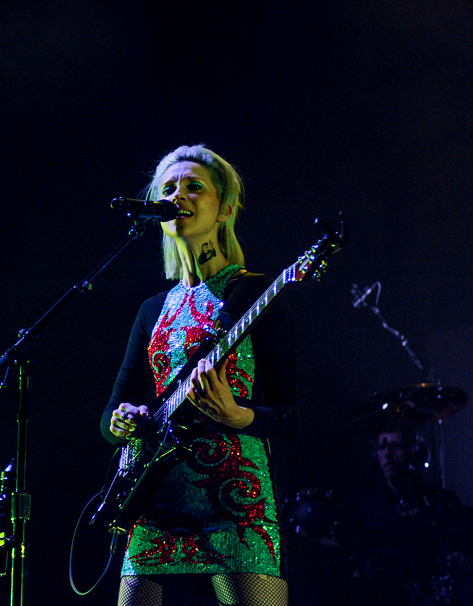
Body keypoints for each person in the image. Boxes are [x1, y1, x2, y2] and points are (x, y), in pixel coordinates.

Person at [103, 145, 298, 606]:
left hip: (236, 503)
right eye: (168, 188)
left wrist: (237, 415)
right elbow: (113, 409)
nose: (179, 196)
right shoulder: (152, 309)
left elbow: (289, 415)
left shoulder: (256, 294)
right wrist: (121, 421)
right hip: (156, 504)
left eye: (195, 186)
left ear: (225, 208)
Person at [344, 424, 473, 606]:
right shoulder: (365, 506)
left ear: (414, 452)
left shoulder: (439, 500)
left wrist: (458, 559)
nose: (387, 454)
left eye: (395, 447)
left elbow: (469, 552)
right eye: (382, 447)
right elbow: (354, 568)